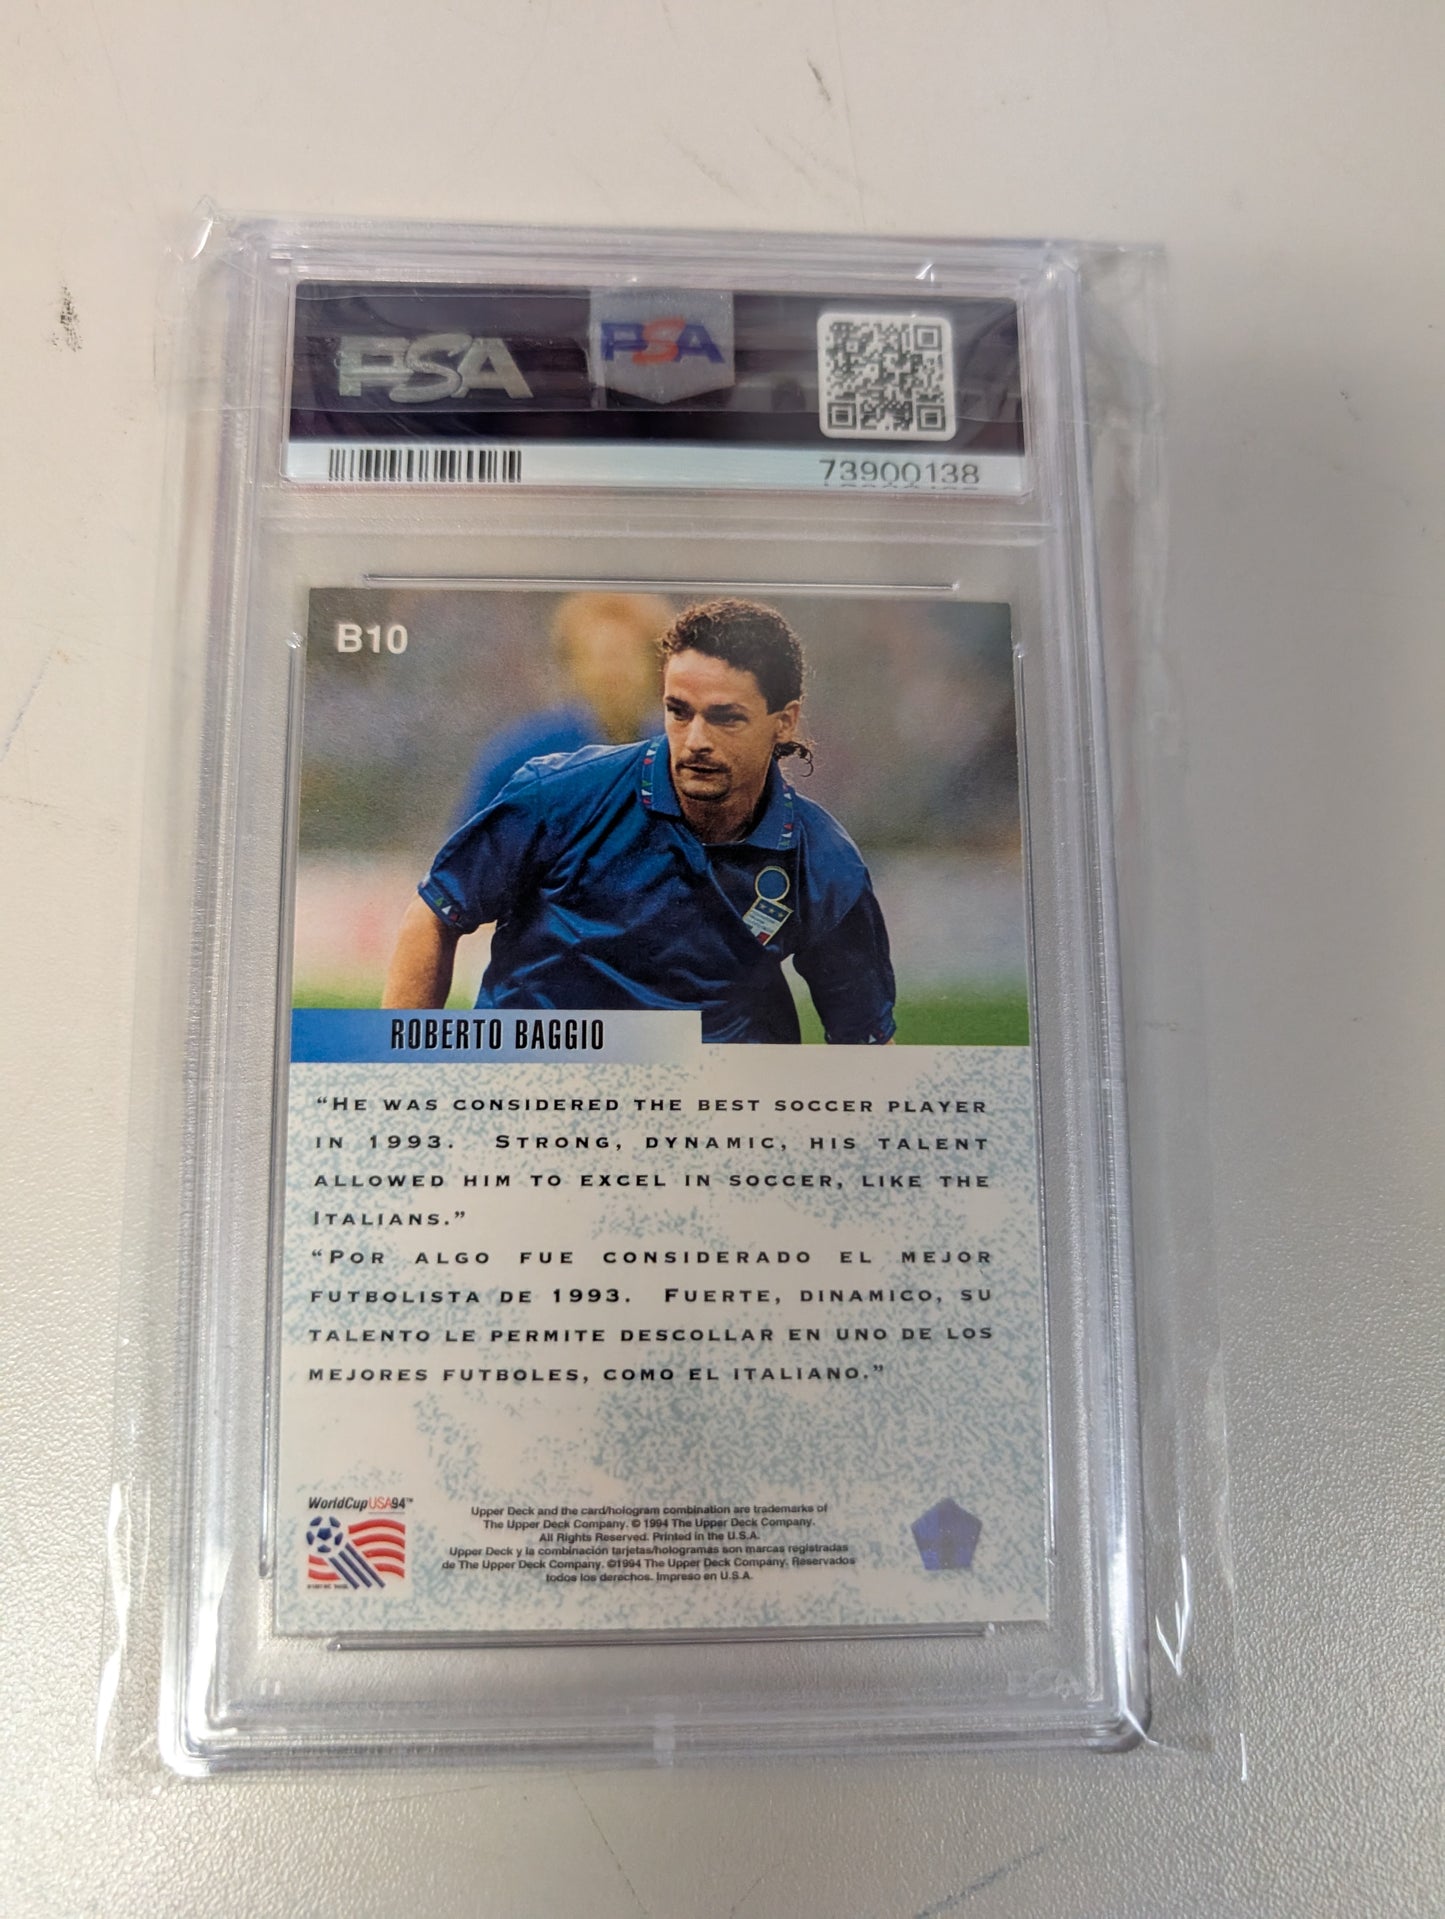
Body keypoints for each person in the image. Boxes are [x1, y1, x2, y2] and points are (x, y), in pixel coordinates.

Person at [383, 598, 895, 1044]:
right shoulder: (545, 777)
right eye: (680, 712)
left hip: (707, 1101)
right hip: (541, 1084)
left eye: (725, 717)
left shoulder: (824, 859)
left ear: (784, 721)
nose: (697, 740)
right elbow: (441, 904)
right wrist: (400, 1079)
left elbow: (867, 1042)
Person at [450, 591, 670, 825]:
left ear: (656, 665)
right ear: (572, 666)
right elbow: (470, 841)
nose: (612, 672)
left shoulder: (678, 751)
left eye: (625, 656)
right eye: (596, 657)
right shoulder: (524, 754)